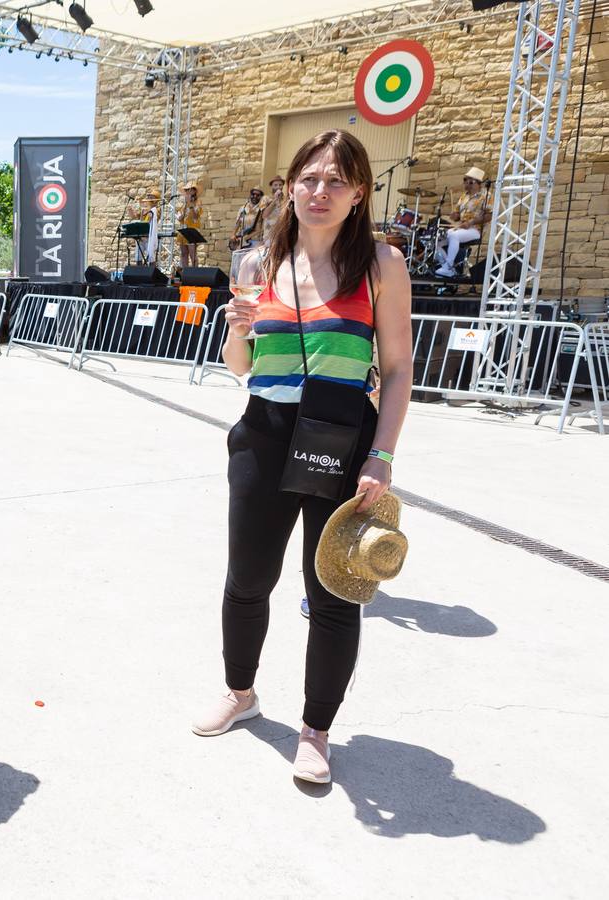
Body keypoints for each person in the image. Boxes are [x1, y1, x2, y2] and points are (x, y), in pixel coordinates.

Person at [193, 129, 412, 785]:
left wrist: (382, 456)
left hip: (342, 440)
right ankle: (241, 692)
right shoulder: (259, 264)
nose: (320, 191)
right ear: (290, 185)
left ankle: (315, 729)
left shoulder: (380, 264)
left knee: (333, 595)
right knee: (248, 579)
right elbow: (243, 369)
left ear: (359, 193)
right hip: (264, 431)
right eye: (309, 178)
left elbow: (398, 371)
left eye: (336, 181)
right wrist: (235, 334)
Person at [434, 166, 492, 279]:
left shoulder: (486, 196)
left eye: (467, 180)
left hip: (475, 230)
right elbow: (456, 215)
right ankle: (449, 268)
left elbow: (489, 215)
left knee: (454, 235)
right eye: (464, 180)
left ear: (476, 183)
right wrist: (454, 216)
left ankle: (448, 266)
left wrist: (471, 222)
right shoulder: (463, 196)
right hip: (461, 228)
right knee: (436, 239)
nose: (465, 182)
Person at [228, 185, 266, 254]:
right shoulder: (243, 208)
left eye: (258, 195)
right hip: (242, 241)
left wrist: (246, 238)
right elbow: (238, 223)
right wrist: (233, 235)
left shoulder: (262, 210)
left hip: (255, 242)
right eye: (253, 194)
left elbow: (261, 229)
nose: (255, 196)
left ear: (261, 197)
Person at [175, 182, 203, 269]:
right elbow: (181, 219)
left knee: (192, 254)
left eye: (189, 190)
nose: (187, 192)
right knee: (183, 253)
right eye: (186, 190)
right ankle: (185, 273)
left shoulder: (198, 202)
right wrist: (181, 215)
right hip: (184, 230)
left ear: (194, 191)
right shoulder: (185, 204)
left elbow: (196, 216)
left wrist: (191, 205)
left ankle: (195, 274)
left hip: (192, 230)